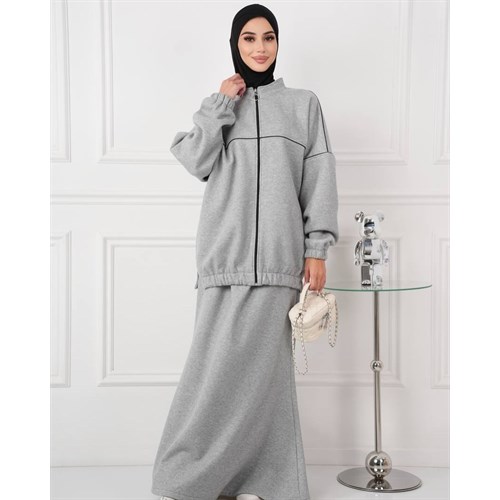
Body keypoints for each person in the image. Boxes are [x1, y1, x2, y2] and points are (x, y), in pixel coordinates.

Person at [151, 4, 339, 500]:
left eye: (268, 37)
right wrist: (220, 104)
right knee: (211, 377)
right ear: (235, 44)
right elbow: (195, 161)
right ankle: (189, 477)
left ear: (278, 43)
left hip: (280, 264)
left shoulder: (302, 105)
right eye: (249, 38)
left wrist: (317, 249)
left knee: (267, 383)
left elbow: (319, 178)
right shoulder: (220, 107)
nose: (260, 47)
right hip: (222, 262)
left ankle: (267, 480)